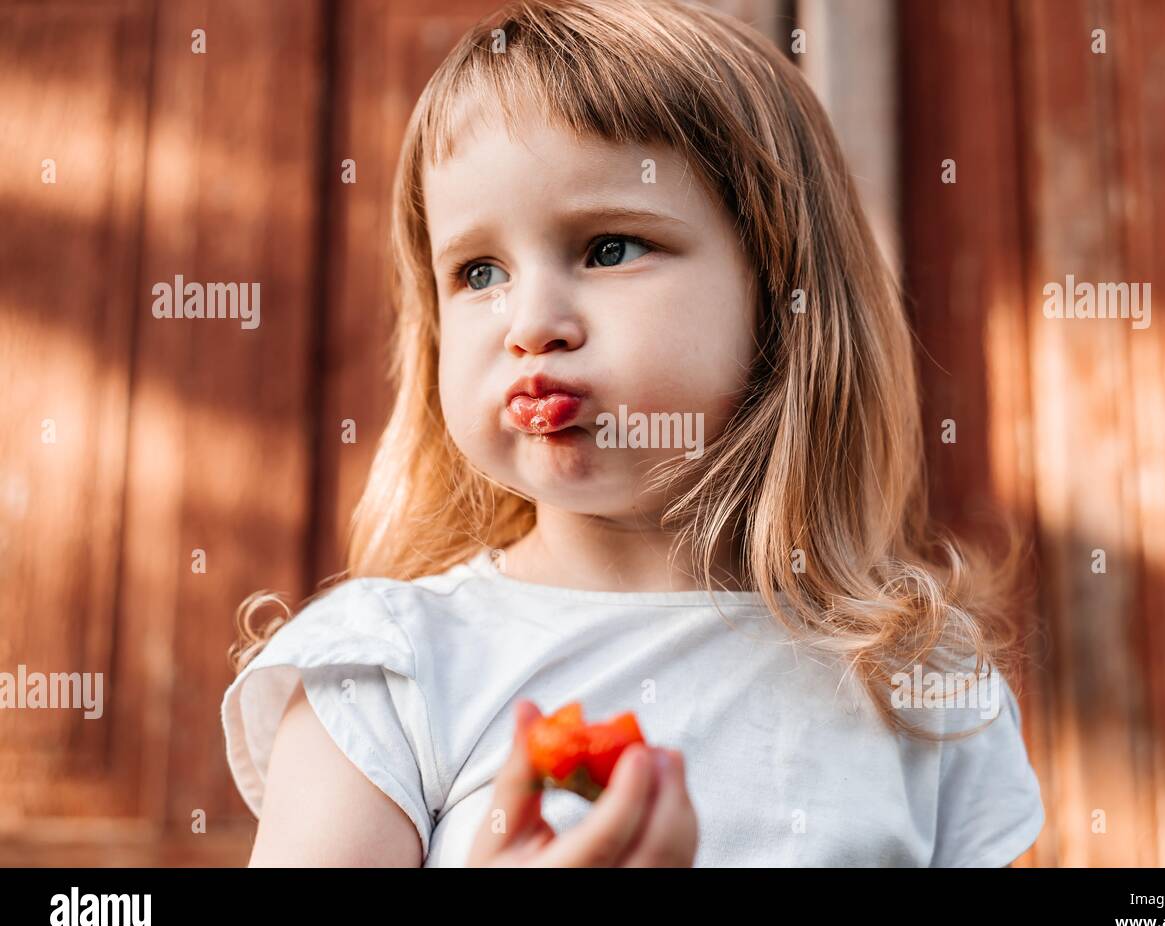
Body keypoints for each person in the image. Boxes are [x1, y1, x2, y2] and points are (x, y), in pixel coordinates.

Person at [221, 0, 1044, 867]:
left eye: (609, 248)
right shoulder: (393, 668)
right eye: (479, 272)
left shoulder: (919, 683)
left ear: (784, 296)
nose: (530, 323)